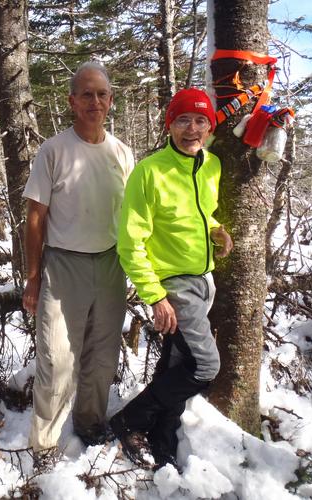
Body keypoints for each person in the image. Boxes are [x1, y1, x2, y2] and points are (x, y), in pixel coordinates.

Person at [109, 88, 233, 472]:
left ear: (209, 127)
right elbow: (130, 243)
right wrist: (155, 296)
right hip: (174, 285)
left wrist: (214, 229)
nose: (192, 129)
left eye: (200, 121)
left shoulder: (210, 165)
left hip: (203, 280)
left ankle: (163, 439)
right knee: (204, 366)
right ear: (170, 125)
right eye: (183, 120)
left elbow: (198, 213)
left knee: (177, 362)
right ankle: (130, 420)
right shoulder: (151, 172)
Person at [22, 61, 134, 469]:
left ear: (110, 100)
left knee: (102, 356)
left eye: (101, 94)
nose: (95, 101)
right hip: (63, 264)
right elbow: (35, 217)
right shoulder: (53, 150)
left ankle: (90, 423)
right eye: (86, 94)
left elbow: (136, 217)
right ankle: (46, 445)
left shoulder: (123, 153)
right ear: (72, 101)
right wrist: (33, 277)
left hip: (110, 264)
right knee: (57, 357)